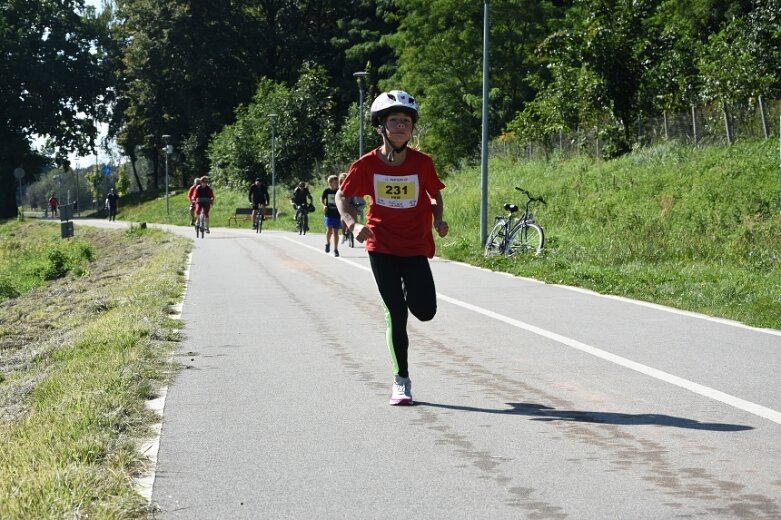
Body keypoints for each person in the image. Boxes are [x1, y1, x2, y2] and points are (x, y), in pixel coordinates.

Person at [336, 89, 449, 406]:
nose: (401, 126)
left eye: (406, 121)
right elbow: (342, 196)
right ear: (380, 126)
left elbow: (435, 194)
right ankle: (401, 381)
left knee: (425, 312)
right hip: (381, 245)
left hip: (414, 246)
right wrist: (353, 223)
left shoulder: (422, 163)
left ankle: (408, 290)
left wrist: (438, 219)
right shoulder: (366, 165)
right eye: (394, 120)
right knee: (396, 314)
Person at [321, 175, 341, 257]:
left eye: (337, 182)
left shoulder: (339, 191)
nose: (336, 183)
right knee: (329, 229)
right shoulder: (327, 191)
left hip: (337, 213)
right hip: (329, 213)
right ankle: (327, 243)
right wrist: (324, 205)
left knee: (336, 232)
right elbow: (322, 199)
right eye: (335, 182)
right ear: (330, 183)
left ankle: (336, 249)